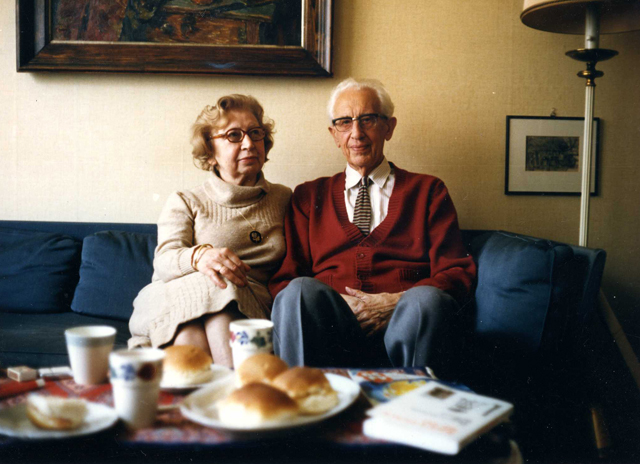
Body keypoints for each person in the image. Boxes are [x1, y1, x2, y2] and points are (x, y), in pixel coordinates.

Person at [268, 78, 476, 374]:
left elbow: (457, 271)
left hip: (405, 327)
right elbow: (285, 278)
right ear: (334, 134)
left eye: (368, 120)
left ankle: (417, 411)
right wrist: (343, 305)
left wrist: (397, 301)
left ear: (389, 127)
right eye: (344, 122)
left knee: (426, 300)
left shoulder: (428, 190)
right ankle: (301, 408)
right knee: (297, 291)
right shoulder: (308, 196)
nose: (356, 133)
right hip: (330, 329)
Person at [129, 95, 292, 367]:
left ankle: (209, 393)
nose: (249, 143)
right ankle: (221, 393)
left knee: (220, 286)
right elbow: (164, 261)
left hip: (249, 304)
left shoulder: (284, 198)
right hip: (178, 300)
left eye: (255, 133)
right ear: (209, 152)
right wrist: (200, 257)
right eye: (234, 135)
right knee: (209, 287)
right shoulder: (186, 200)